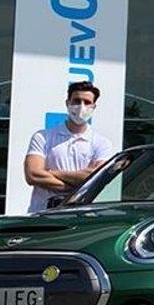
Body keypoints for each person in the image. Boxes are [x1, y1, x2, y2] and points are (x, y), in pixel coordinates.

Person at [24, 81, 115, 212]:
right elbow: (33, 175)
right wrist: (78, 185)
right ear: (68, 103)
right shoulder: (42, 137)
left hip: (80, 215)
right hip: (41, 213)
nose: (81, 107)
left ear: (94, 107)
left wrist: (50, 173)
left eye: (87, 102)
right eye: (76, 101)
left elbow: (97, 178)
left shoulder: (102, 143)